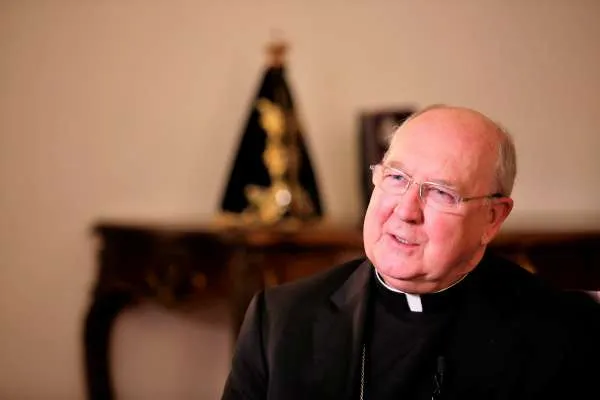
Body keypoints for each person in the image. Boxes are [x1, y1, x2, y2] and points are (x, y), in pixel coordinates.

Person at [221, 105, 600, 400]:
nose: (405, 210)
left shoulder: (564, 332)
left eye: (441, 192)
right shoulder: (281, 320)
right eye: (396, 177)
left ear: (492, 218)